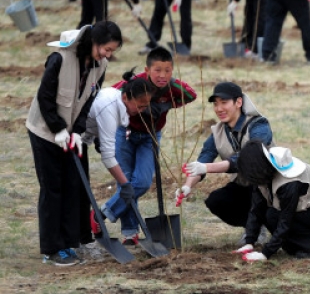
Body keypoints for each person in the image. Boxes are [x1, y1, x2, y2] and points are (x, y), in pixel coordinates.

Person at [26, 22, 122, 266]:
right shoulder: (60, 58)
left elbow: (89, 100)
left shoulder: (100, 66)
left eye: (112, 51)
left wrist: (78, 131)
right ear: (94, 42)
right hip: (44, 131)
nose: (108, 55)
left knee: (74, 185)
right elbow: (44, 97)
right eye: (106, 49)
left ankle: (70, 243)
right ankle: (52, 249)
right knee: (53, 187)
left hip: (71, 132)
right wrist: (57, 129)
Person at [103, 46, 196, 244]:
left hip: (150, 138)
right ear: (147, 70)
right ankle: (130, 233)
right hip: (125, 134)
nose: (162, 75)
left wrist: (168, 104)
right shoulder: (135, 84)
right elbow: (111, 94)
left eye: (167, 70)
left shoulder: (172, 87)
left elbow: (191, 95)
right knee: (125, 181)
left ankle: (103, 214)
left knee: (142, 182)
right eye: (157, 70)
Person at [176, 82, 273, 237]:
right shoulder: (219, 132)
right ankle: (253, 227)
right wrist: (188, 186)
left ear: (239, 102)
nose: (219, 109)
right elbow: (204, 158)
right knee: (217, 201)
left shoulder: (259, 125)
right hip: (244, 186)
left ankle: (269, 224)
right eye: (216, 104)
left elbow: (246, 157)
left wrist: (207, 168)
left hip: (270, 188)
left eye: (224, 103)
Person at [235, 141, 310, 261]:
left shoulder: (289, 182)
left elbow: (285, 219)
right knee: (270, 215)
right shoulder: (264, 173)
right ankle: (298, 246)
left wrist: (265, 254)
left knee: (274, 216)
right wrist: (249, 242)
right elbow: (257, 208)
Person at [82, 71, 153, 258]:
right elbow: (108, 157)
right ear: (126, 97)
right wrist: (124, 183)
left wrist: (97, 137)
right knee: (74, 191)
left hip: (84, 137)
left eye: (146, 106)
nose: (143, 110)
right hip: (70, 139)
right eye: (140, 106)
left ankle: (92, 225)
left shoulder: (121, 107)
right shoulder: (110, 107)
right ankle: (76, 236)